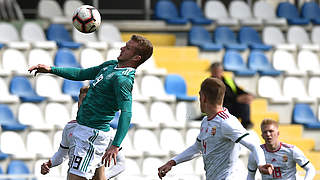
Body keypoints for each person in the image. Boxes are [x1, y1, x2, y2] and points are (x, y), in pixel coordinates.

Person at [28, 34, 153, 180]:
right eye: (125, 45)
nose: (122, 48)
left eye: (128, 48)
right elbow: (82, 73)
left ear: (136, 58)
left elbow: (127, 112)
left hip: (91, 135)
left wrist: (115, 145)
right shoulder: (111, 66)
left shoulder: (123, 79)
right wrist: (51, 69)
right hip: (85, 130)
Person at [158, 77, 273, 180]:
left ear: (202, 97)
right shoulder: (206, 121)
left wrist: (261, 164)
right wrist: (172, 162)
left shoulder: (226, 122)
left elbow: (254, 145)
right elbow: (198, 147)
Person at [40, 86, 126, 180]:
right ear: (78, 103)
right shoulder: (70, 127)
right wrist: (50, 163)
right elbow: (62, 153)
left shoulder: (105, 132)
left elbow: (121, 163)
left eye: (89, 102)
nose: (85, 105)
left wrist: (104, 177)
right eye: (83, 101)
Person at [247, 119, 315, 180]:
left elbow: (311, 169)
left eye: (271, 131)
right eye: (265, 132)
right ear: (262, 136)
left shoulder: (291, 150)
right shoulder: (256, 153)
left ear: (278, 133)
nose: (268, 134)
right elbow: (250, 175)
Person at [209, 62, 254, 129]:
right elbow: (219, 98)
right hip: (219, 109)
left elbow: (238, 90)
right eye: (216, 71)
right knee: (241, 103)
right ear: (212, 72)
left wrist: (247, 95)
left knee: (245, 104)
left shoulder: (228, 80)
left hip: (231, 107)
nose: (218, 73)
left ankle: (246, 125)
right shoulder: (209, 83)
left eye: (220, 71)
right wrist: (236, 99)